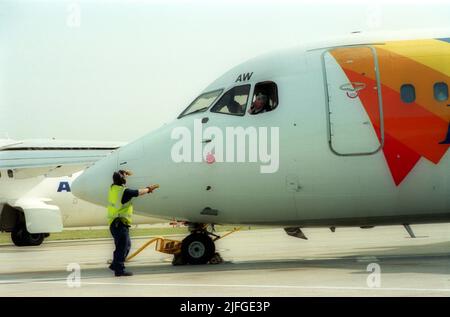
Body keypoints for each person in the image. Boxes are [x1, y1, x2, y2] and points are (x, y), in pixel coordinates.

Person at [107, 170, 159, 276]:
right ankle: (119, 270)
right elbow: (137, 192)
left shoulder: (113, 188)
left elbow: (119, 181)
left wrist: (122, 173)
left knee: (125, 246)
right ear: (122, 180)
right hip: (120, 224)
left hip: (115, 224)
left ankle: (115, 264)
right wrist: (149, 189)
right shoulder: (124, 192)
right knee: (122, 247)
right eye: (124, 178)